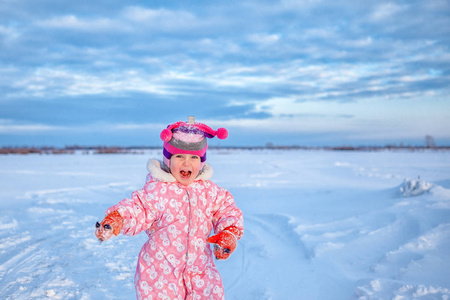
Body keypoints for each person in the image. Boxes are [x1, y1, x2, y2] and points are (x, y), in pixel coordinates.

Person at [95, 117, 244, 300]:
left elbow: (226, 209)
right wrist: (119, 217)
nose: (187, 163)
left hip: (200, 271)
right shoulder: (157, 190)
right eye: (179, 156)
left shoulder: (209, 191)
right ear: (168, 159)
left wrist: (229, 231)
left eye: (194, 157)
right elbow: (138, 208)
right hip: (160, 274)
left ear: (201, 162)